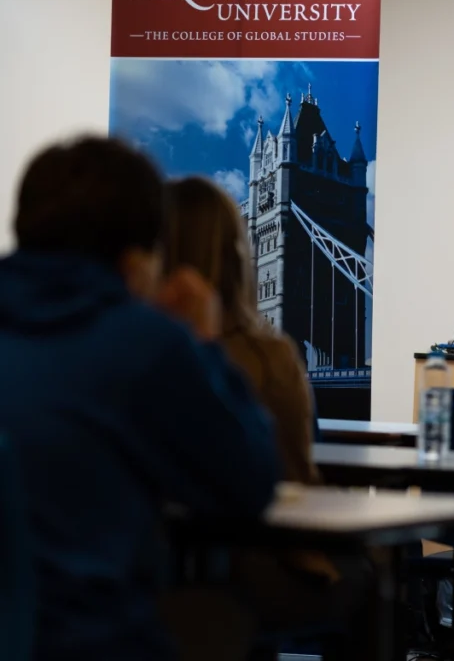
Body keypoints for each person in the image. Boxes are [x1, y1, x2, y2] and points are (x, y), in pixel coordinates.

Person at [0, 136, 280, 661]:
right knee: (221, 620)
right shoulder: (144, 344)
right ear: (136, 261)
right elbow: (249, 481)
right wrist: (202, 341)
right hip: (93, 641)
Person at [162, 176, 369, 649]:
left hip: (137, 576)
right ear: (240, 255)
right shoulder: (267, 358)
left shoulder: (120, 346)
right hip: (238, 575)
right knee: (372, 576)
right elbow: (287, 481)